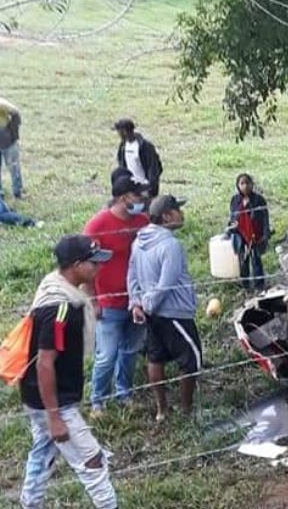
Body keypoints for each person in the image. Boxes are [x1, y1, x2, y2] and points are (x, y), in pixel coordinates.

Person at [19, 235, 118, 509]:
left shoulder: (63, 289)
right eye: (93, 263)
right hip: (52, 400)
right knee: (92, 460)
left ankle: (31, 503)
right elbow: (44, 363)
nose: (99, 268)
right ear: (76, 265)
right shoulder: (60, 308)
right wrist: (55, 417)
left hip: (38, 394)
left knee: (43, 450)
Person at [128, 195, 200, 421]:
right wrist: (149, 304)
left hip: (152, 314)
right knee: (191, 360)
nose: (182, 214)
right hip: (175, 312)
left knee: (155, 358)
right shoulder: (171, 245)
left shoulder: (138, 241)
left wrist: (136, 303)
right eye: (178, 210)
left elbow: (131, 276)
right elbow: (166, 283)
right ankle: (186, 410)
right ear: (167, 216)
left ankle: (162, 409)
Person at [84, 176, 150, 416]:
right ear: (124, 198)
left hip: (137, 301)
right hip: (109, 302)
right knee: (107, 355)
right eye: (137, 195)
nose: (142, 199)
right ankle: (97, 400)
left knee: (130, 350)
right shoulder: (97, 226)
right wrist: (93, 301)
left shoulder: (143, 221)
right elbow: (85, 267)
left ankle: (124, 393)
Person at [227, 173, 270, 290]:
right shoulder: (235, 200)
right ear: (238, 186)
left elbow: (265, 217)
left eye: (247, 183)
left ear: (252, 184)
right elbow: (232, 217)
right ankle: (245, 284)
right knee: (243, 260)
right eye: (242, 183)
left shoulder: (259, 200)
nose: (245, 186)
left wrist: (266, 234)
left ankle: (259, 285)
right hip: (240, 234)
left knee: (256, 259)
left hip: (255, 234)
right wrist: (232, 227)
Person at [113, 119, 163, 198]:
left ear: (125, 131)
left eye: (119, 132)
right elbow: (122, 164)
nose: (119, 135)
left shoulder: (145, 146)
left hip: (145, 188)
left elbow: (154, 168)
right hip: (130, 187)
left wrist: (150, 186)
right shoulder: (123, 146)